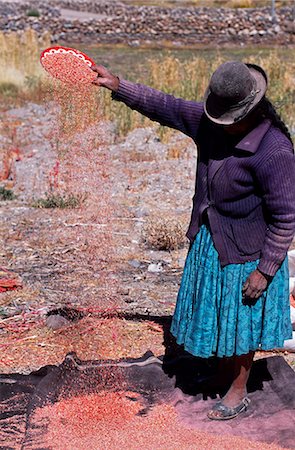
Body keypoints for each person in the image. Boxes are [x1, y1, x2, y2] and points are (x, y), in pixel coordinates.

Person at [91, 60, 295, 420]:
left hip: (249, 253)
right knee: (218, 315)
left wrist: (265, 271)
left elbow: (286, 217)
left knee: (240, 322)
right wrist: (118, 85)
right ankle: (220, 371)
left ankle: (237, 389)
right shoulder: (211, 124)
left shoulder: (274, 151)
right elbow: (166, 106)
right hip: (212, 238)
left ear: (250, 111)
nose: (223, 124)